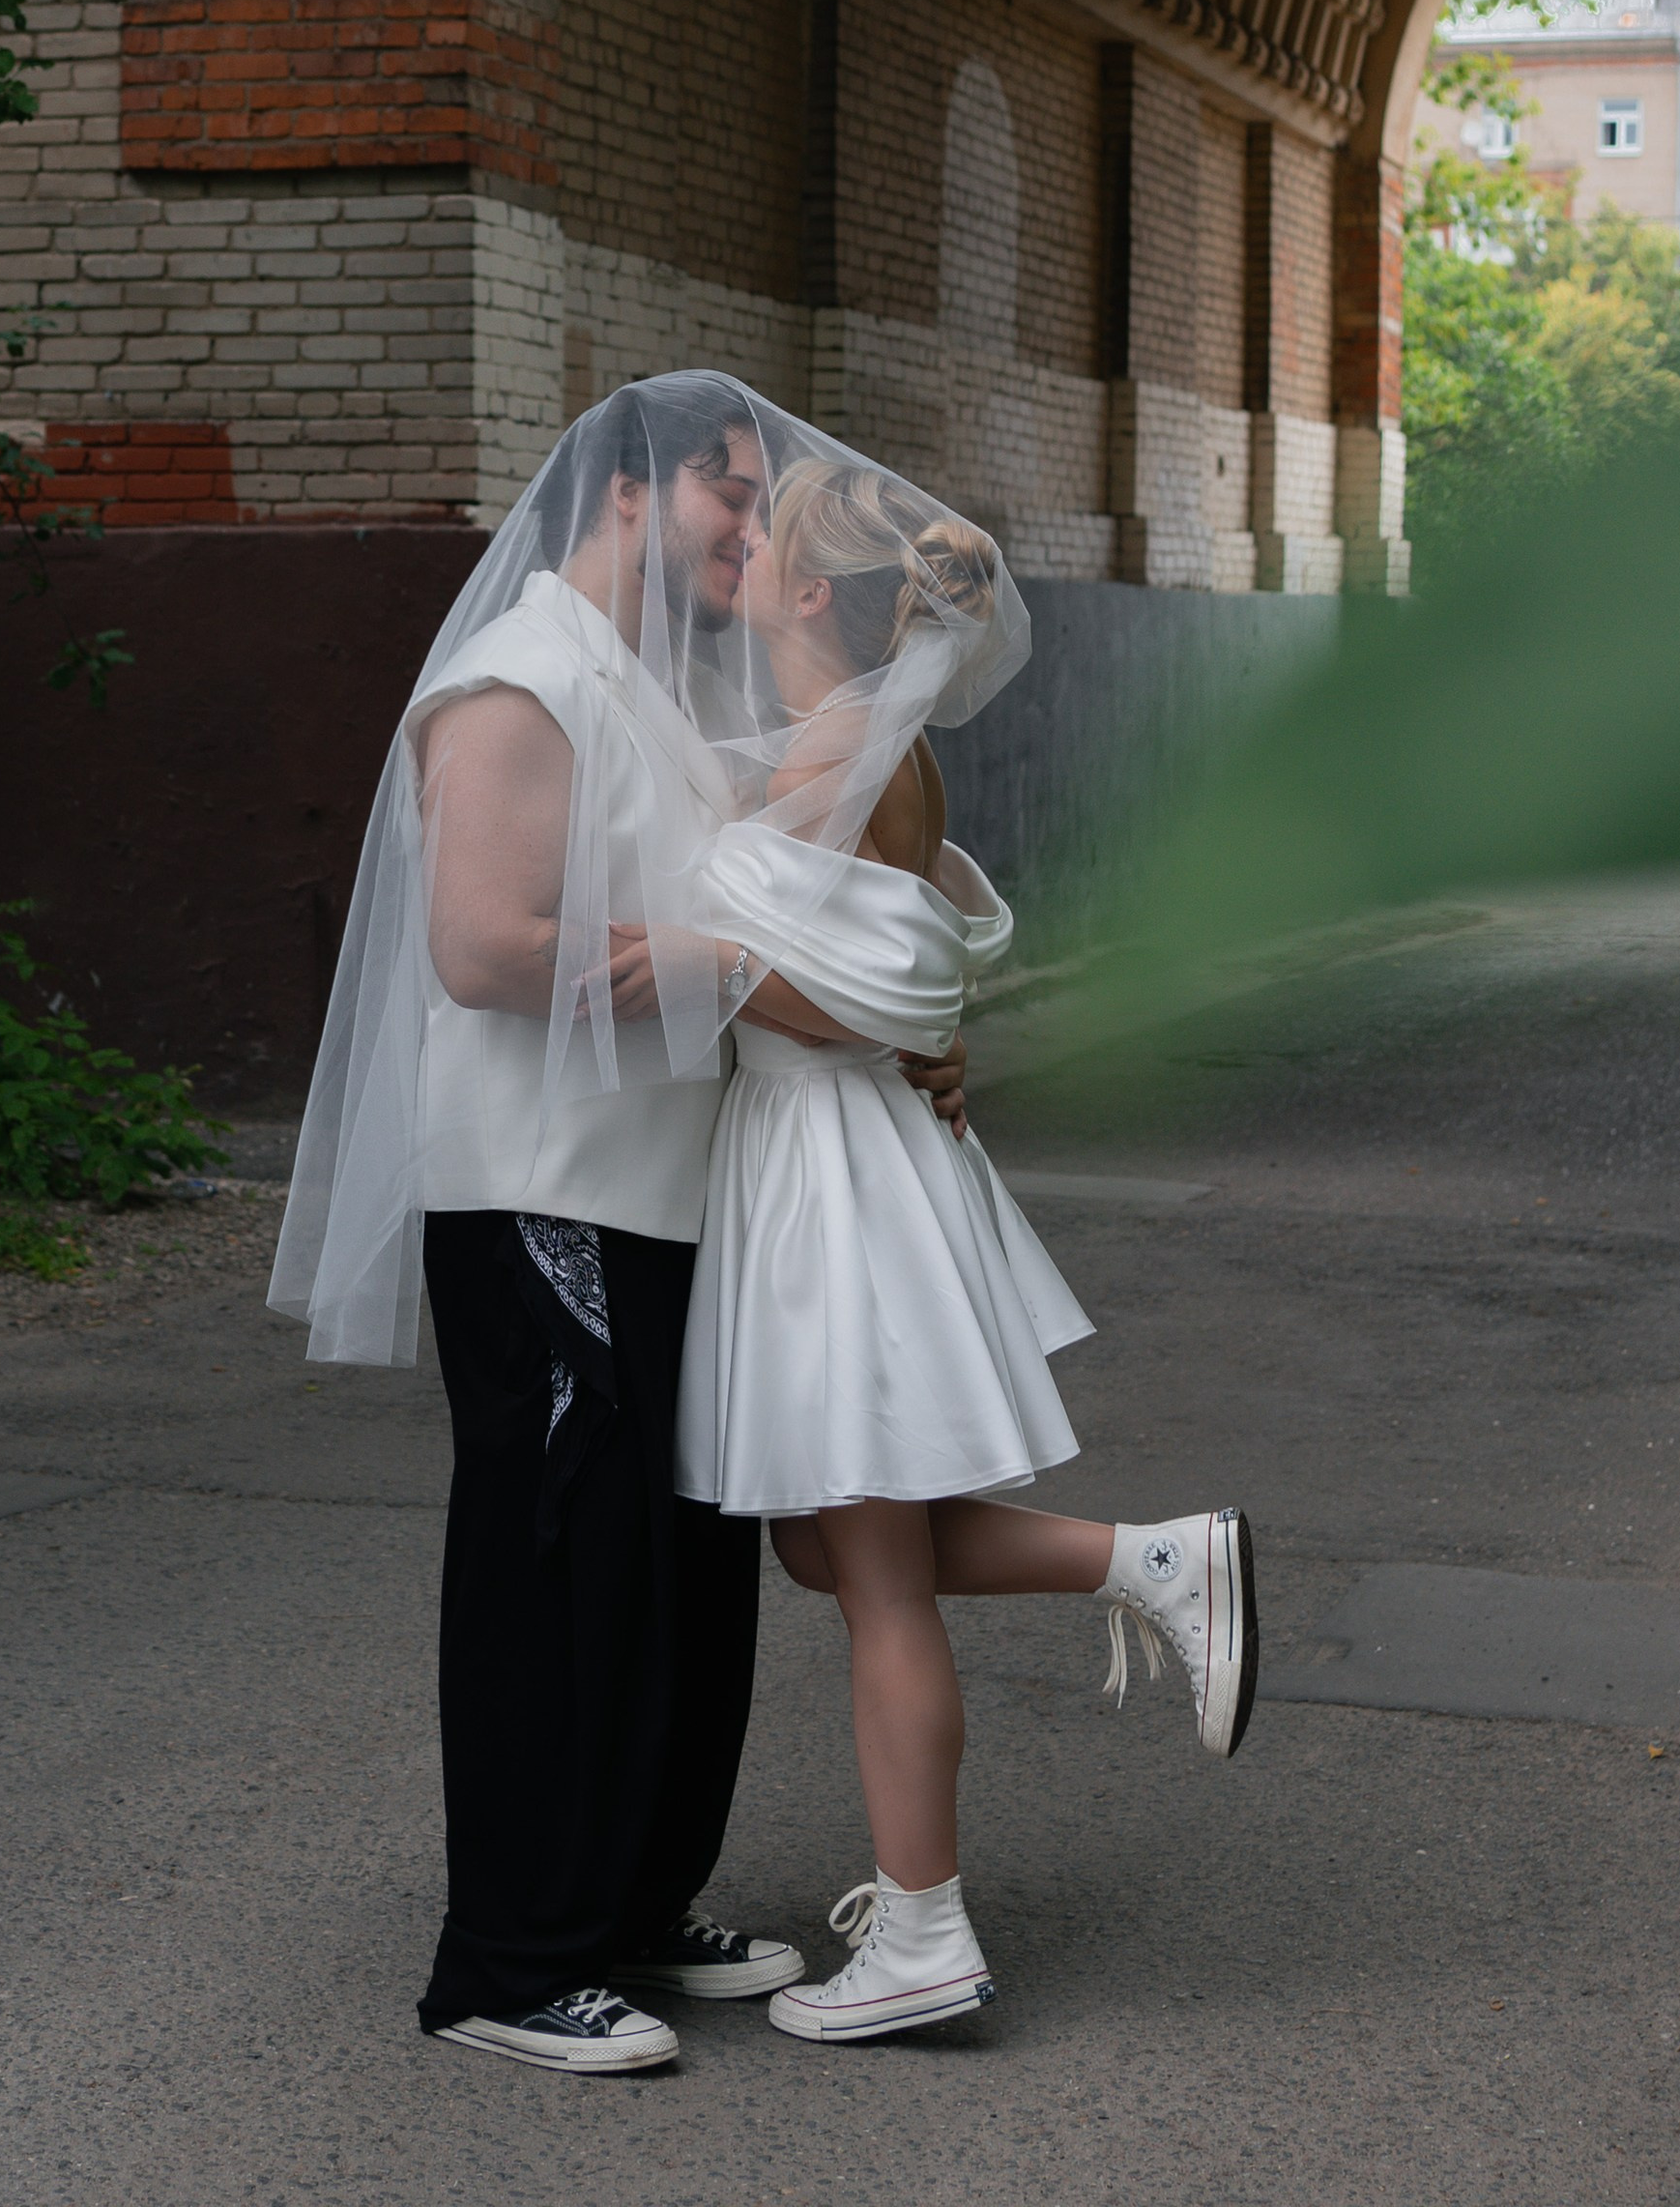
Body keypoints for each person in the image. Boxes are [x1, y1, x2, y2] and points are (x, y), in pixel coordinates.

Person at [267, 375, 973, 2077]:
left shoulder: (650, 689)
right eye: (732, 494)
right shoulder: (515, 678)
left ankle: (635, 1903)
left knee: (675, 1577)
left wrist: (901, 1018)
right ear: (631, 496)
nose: (755, 525)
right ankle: (509, 1962)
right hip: (541, 1203)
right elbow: (482, 951)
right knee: (556, 1572)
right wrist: (738, 972)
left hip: (669, 1195)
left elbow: (798, 895)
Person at [675, 453, 1259, 2044]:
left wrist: (686, 946)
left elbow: (852, 993)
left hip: (831, 1176)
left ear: (811, 594)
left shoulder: (827, 756)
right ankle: (1144, 1559)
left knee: (870, 1577)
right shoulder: (881, 748)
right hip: (859, 1156)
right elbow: (913, 975)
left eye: (756, 536)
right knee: (824, 1544)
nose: (724, 548)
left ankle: (925, 1932)